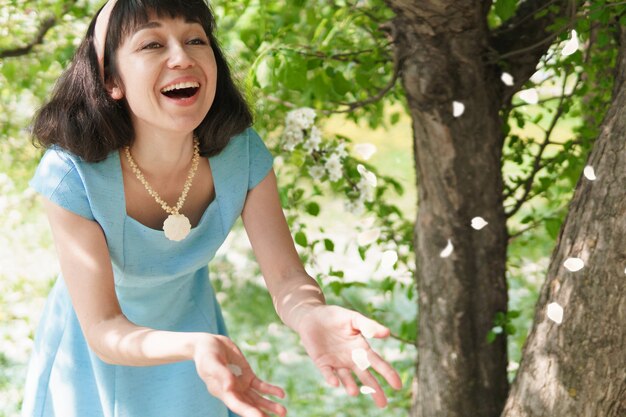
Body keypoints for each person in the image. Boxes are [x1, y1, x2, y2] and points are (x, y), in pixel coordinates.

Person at [22, 1, 402, 416]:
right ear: (111, 80)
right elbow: (104, 329)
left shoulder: (240, 152)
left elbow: (287, 277)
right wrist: (190, 344)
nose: (182, 57)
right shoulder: (71, 174)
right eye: (152, 44)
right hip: (95, 354)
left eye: (195, 39)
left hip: (197, 341)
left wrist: (311, 313)